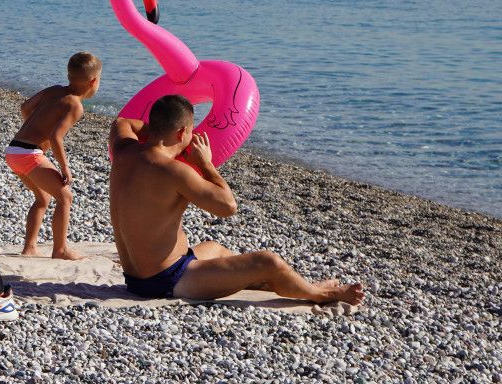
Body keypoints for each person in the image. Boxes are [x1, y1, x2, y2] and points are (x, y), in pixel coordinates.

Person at [109, 95, 365, 305]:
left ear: (154, 125)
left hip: (135, 277)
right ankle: (322, 294)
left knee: (215, 248)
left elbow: (123, 122)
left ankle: (289, 284)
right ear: (183, 131)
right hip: (166, 280)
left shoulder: (123, 149)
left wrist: (158, 134)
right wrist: (206, 164)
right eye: (190, 131)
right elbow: (227, 206)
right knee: (268, 260)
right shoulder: (176, 171)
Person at [5, 52, 101, 261]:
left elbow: (25, 107)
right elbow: (56, 137)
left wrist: (35, 127)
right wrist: (65, 167)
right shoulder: (75, 105)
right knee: (65, 197)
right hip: (29, 153)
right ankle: (60, 250)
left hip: (14, 150)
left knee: (42, 198)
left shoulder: (55, 90)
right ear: (93, 81)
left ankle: (29, 248)